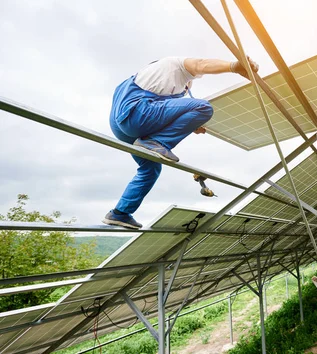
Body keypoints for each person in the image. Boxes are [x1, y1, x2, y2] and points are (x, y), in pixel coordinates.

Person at [103, 56, 259, 229]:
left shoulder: (148, 81)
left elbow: (165, 110)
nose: (186, 90)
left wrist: (190, 123)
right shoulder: (174, 64)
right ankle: (156, 142)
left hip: (123, 127)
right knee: (203, 107)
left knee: (150, 169)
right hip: (135, 115)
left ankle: (120, 213)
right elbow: (200, 64)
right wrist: (233, 66)